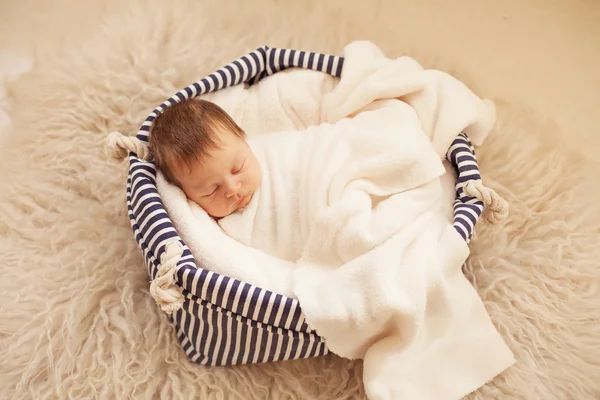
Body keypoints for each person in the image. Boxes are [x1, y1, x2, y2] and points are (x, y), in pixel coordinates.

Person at [149, 99, 262, 219]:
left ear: (244, 139)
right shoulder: (207, 229)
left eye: (238, 168)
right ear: (186, 195)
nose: (232, 189)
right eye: (211, 191)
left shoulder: (273, 152)